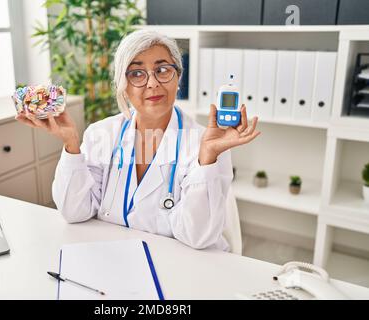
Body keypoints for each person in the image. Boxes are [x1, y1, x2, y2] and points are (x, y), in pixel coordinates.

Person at [15, 29, 260, 250]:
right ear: (123, 85)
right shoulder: (101, 134)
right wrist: (71, 144)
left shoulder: (207, 142)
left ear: (178, 78)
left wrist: (207, 158)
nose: (152, 83)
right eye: (137, 73)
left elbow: (198, 237)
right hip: (114, 259)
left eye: (163, 70)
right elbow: (74, 212)